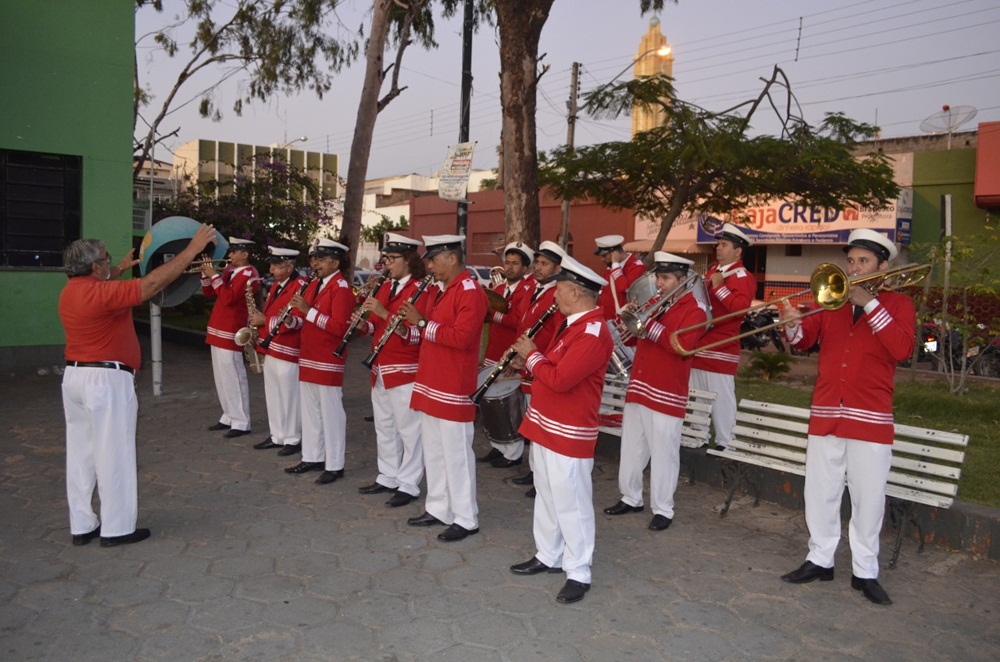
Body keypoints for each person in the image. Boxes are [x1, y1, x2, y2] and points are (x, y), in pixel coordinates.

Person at [779, 229, 915, 606]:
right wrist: (792, 322)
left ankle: (865, 571)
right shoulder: (832, 301)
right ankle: (820, 559)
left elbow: (902, 348)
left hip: (870, 416)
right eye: (851, 261)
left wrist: (870, 304)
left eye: (863, 262)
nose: (853, 268)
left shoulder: (898, 304)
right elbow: (804, 340)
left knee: (868, 498)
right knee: (820, 491)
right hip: (827, 412)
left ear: (882, 266)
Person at [59, 224, 217, 547]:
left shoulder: (72, 291)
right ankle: (116, 529)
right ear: (94, 267)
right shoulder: (102, 295)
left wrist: (117, 269)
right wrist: (192, 249)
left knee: (80, 456)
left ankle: (83, 525)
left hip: (75, 378)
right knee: (113, 454)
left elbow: (102, 286)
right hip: (105, 381)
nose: (109, 262)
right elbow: (152, 284)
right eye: (106, 259)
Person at [508, 255, 614, 604]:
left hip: (569, 430)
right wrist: (528, 363)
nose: (554, 296)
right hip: (547, 423)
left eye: (559, 290)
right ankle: (548, 554)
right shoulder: (572, 324)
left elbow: (561, 379)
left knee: (572, 501)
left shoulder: (593, 332)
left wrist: (532, 355)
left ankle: (579, 570)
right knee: (547, 492)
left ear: (575, 292)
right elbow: (553, 366)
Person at [603, 253, 708, 531]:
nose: (659, 284)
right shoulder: (655, 303)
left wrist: (648, 325)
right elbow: (631, 339)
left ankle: (663, 508)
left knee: (664, 452)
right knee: (632, 446)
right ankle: (631, 496)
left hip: (666, 390)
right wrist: (629, 318)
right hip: (640, 385)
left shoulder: (695, 309)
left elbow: (682, 345)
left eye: (666, 278)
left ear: (683, 280)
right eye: (659, 277)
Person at [398, 234, 488, 542]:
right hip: (432, 382)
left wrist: (422, 324)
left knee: (456, 455)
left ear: (452, 258)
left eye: (434, 261)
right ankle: (438, 508)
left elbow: (461, 338)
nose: (430, 267)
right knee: (434, 451)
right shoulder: (442, 289)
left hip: (453, 386)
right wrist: (412, 328)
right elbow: (432, 335)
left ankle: (466, 517)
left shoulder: (470, 291)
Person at [355, 233, 431, 508]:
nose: (386, 263)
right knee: (384, 426)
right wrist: (363, 325)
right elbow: (376, 327)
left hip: (405, 370)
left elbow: (418, 334)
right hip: (380, 368)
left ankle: (409, 483)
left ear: (408, 259)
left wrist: (384, 313)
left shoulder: (421, 290)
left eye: (392, 258)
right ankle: (388, 475)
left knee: (409, 430)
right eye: (385, 258)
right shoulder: (385, 286)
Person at [285, 238, 355, 485]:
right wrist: (292, 320)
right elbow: (306, 319)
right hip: (309, 356)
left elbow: (340, 328)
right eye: (315, 259)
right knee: (310, 412)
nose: (315, 264)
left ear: (335, 262)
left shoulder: (341, 288)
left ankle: (335, 464)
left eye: (321, 260)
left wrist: (308, 311)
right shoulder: (315, 284)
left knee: (331, 414)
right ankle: (312, 456)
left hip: (327, 358)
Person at [689, 222, 757, 451]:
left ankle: (725, 443)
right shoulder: (713, 272)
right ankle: (697, 436)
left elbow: (739, 310)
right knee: (698, 397)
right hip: (700, 345)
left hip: (721, 348)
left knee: (721, 401)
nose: (718, 248)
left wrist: (719, 288)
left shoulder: (742, 276)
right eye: (718, 244)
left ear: (738, 251)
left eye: (724, 244)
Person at [508, 240, 567, 495]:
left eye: (545, 264)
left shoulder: (558, 296)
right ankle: (535, 472)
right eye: (538, 263)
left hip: (542, 364)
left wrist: (535, 358)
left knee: (541, 423)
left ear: (557, 269)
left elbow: (557, 336)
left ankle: (541, 477)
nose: (538, 268)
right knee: (533, 419)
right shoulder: (535, 289)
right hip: (528, 361)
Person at [479, 241, 537, 469]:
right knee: (492, 403)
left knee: (509, 404)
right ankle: (498, 445)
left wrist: (493, 316)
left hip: (511, 353)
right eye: (508, 262)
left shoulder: (528, 290)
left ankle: (513, 453)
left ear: (525, 267)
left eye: (515, 264)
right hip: (493, 351)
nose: (510, 267)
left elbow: (519, 322)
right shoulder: (500, 288)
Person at [248, 246, 310, 455]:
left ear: (289, 267)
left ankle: (293, 438)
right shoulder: (277, 285)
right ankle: (277, 435)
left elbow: (298, 321)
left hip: (288, 348)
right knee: (273, 393)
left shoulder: (300, 286)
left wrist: (265, 320)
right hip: (272, 347)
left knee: (289, 396)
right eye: (272, 265)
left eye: (276, 265)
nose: (271, 269)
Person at [200, 237, 260, 438]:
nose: (230, 255)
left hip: (232, 329)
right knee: (221, 377)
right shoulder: (229, 271)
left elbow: (228, 298)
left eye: (234, 252)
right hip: (218, 327)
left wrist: (215, 276)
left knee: (234, 376)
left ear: (245, 254)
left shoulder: (249, 274)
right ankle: (228, 415)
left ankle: (241, 421)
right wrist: (206, 274)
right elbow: (208, 292)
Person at [594, 234, 646, 322]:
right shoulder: (612, 267)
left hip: (623, 321)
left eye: (604, 256)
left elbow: (623, 288)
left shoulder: (636, 267)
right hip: (607, 318)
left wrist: (615, 264)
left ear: (615, 254)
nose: (602, 259)